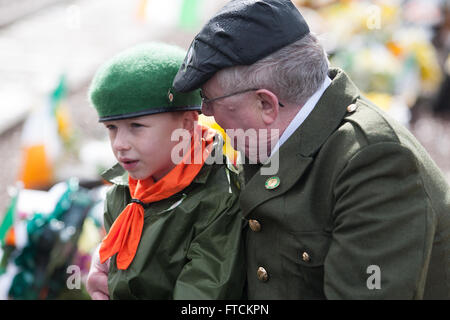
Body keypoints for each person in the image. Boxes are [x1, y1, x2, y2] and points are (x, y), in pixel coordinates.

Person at [171, 0, 450, 299]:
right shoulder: (268, 139)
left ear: (265, 103)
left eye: (211, 99)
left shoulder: (374, 161)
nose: (206, 112)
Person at [85, 42, 245, 299]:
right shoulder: (123, 191)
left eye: (136, 126)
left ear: (187, 124)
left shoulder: (219, 199)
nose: (119, 144)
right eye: (111, 128)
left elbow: (200, 296)